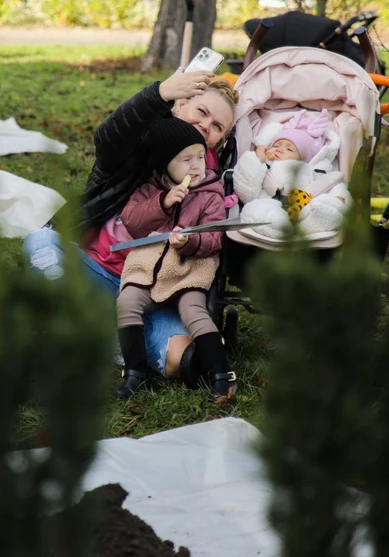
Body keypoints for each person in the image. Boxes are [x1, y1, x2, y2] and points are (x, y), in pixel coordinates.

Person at [24, 70, 239, 389]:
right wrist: (159, 93)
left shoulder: (208, 183)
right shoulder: (136, 145)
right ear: (180, 106)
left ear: (218, 141)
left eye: (217, 127)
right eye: (202, 112)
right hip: (96, 270)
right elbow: (108, 135)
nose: (205, 126)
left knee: (182, 360)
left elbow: (209, 244)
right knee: (41, 242)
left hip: (154, 292)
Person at [115, 120, 231, 400]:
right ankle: (135, 372)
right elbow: (132, 222)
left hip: (189, 270)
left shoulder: (210, 193)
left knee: (194, 311)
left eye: (200, 157)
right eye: (186, 159)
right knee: (127, 303)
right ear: (165, 164)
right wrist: (163, 203)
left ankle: (221, 375)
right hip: (149, 269)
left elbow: (215, 238)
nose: (196, 166)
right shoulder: (150, 188)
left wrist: (189, 241)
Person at [234, 108, 350, 238]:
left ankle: (316, 221)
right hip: (270, 205)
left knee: (324, 207)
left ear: (304, 158)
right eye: (276, 145)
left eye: (289, 148)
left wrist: (340, 198)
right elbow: (246, 191)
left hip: (306, 209)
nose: (280, 150)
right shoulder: (265, 166)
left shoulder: (315, 171)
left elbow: (334, 185)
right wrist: (256, 160)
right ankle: (276, 224)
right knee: (256, 210)